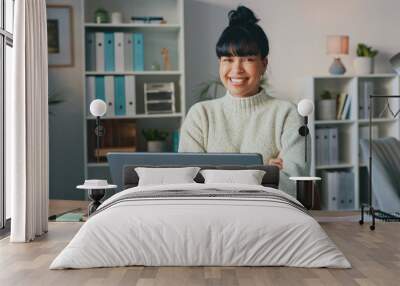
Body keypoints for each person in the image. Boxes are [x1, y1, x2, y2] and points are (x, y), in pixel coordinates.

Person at [178, 5, 309, 196]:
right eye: (228, 59)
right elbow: (189, 184)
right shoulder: (201, 115)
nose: (236, 69)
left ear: (263, 64)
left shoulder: (287, 114)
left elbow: (294, 186)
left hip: (269, 215)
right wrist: (263, 171)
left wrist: (216, 175)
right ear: (220, 64)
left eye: (247, 59)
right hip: (210, 214)